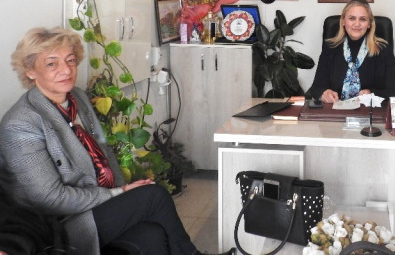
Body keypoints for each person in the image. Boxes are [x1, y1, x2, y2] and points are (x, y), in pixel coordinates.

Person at [0, 27, 235, 255]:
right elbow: (49, 199)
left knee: (151, 235)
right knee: (154, 197)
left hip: (96, 203)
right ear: (30, 71)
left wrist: (122, 192)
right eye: (51, 64)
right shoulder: (21, 124)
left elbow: (105, 152)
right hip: (60, 224)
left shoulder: (77, 97)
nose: (66, 70)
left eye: (70, 60)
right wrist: (116, 194)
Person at [307, 0, 395, 102]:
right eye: (351, 18)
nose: (357, 24)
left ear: (369, 24)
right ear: (343, 21)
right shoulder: (330, 48)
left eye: (363, 19)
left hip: (369, 110)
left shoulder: (383, 50)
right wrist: (324, 94)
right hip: (336, 109)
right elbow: (316, 88)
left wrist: (371, 93)